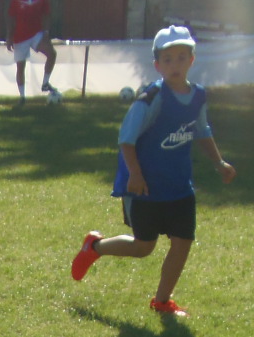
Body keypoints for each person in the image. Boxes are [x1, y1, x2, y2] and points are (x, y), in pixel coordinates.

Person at [69, 25, 236, 317]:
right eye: (167, 59)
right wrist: (135, 174)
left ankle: (162, 301)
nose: (175, 65)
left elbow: (202, 130)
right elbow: (126, 139)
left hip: (180, 186)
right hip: (146, 187)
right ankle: (95, 247)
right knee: (143, 247)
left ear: (192, 60)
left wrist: (218, 162)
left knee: (183, 242)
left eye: (181, 57)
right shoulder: (152, 97)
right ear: (157, 65)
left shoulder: (198, 95)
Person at [6, 0, 57, 103]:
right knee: (21, 67)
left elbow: (47, 14)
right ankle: (22, 97)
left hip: (36, 34)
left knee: (52, 53)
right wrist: (9, 36)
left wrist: (46, 33)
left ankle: (45, 83)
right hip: (20, 36)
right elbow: (11, 17)